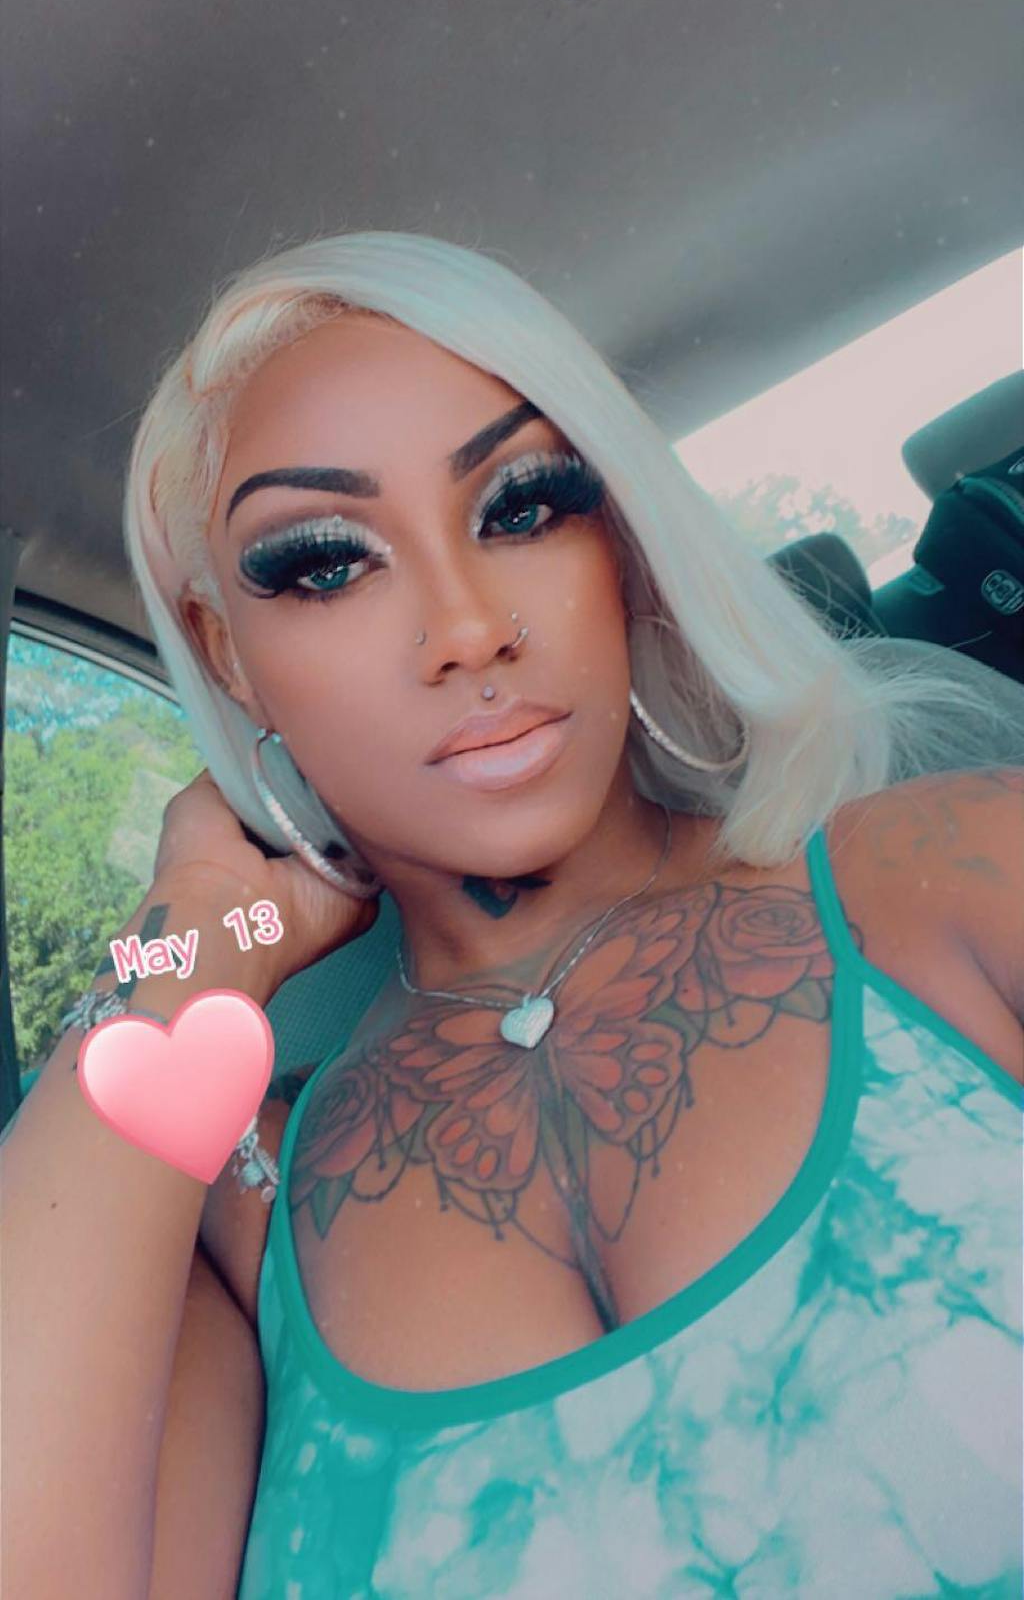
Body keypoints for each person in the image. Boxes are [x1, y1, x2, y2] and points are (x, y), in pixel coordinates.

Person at [4, 231, 1022, 1600]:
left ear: (622, 547)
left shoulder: (958, 873)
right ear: (227, 654)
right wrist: (196, 930)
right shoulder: (236, 1217)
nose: (467, 626)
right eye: (325, 564)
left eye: (524, 505)